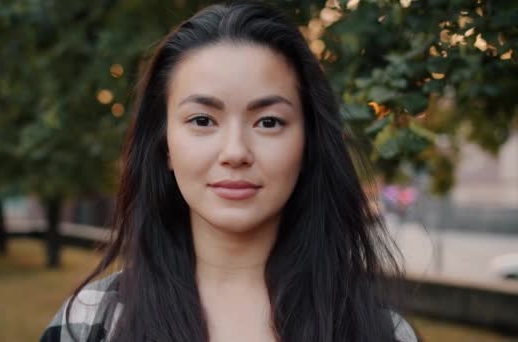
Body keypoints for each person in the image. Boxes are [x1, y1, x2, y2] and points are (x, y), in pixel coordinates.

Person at [40, 1, 418, 341]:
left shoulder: (379, 334)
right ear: (165, 145)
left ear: (308, 144)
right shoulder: (88, 325)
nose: (235, 152)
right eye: (202, 119)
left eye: (268, 122)